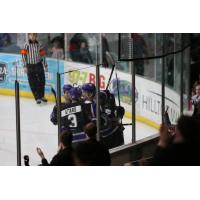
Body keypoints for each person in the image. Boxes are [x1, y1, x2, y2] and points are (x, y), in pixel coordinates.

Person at [21, 33, 48, 104]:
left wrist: (45, 65)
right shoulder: (26, 45)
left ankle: (42, 96)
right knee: (33, 82)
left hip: (39, 64)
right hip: (30, 66)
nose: (33, 37)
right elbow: (23, 56)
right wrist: (24, 66)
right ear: (29, 36)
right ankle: (37, 98)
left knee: (42, 80)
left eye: (34, 35)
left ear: (36, 36)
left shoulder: (39, 44)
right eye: (31, 35)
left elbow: (42, 55)